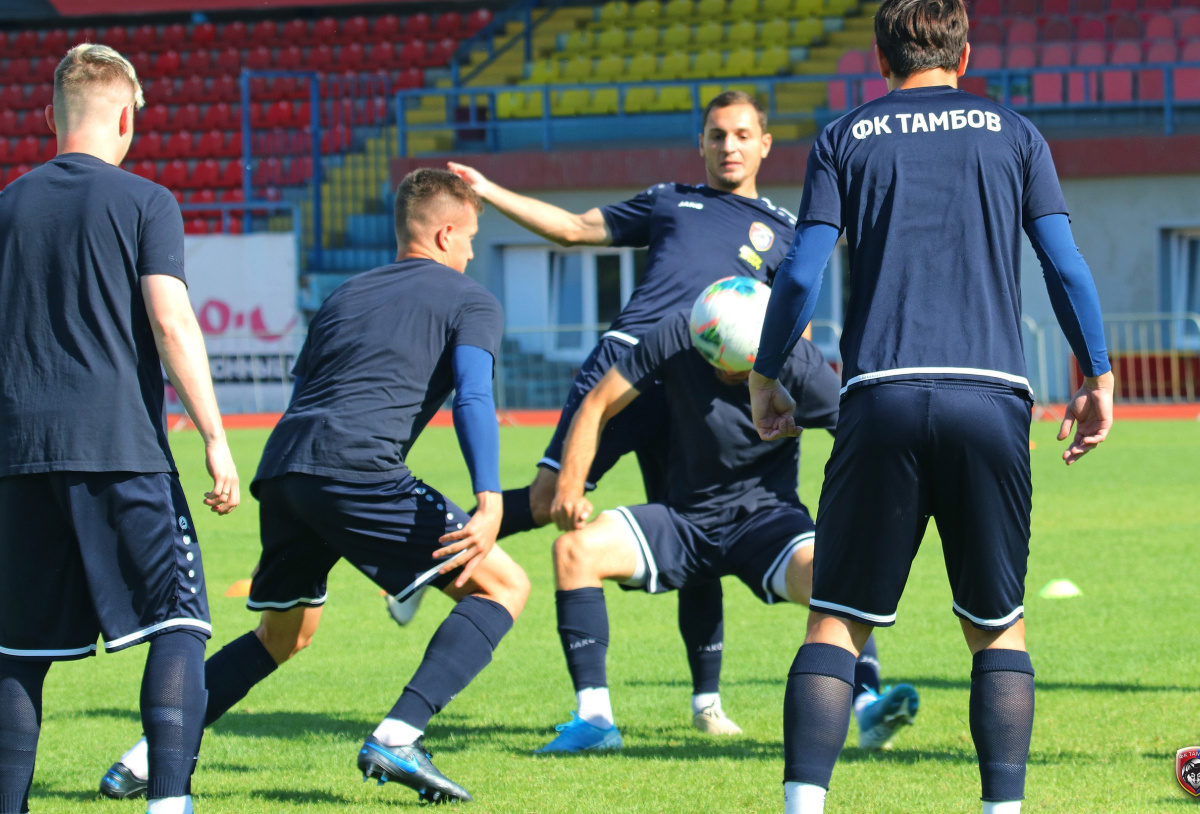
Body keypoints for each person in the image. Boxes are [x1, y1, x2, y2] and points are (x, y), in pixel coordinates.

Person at [748, 0, 1115, 814]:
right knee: (997, 627)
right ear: (965, 55)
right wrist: (1097, 375)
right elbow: (1065, 266)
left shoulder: (845, 136)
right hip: (991, 398)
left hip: (879, 395)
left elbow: (800, 274)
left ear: (880, 60)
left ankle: (803, 808)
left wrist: (767, 373)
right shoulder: (1015, 133)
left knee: (836, 623)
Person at [100, 168, 530, 805]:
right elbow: (472, 395)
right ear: (445, 234)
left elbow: (308, 391)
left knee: (284, 636)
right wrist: (489, 499)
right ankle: (400, 734)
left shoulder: (345, 295)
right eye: (468, 239)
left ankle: (143, 760)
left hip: (285, 468)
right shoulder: (472, 300)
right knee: (505, 585)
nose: (470, 253)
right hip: (357, 468)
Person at [413, 91, 799, 735]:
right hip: (627, 365)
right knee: (547, 499)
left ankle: (706, 703)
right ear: (701, 144)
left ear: (764, 144)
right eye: (715, 135)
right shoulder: (671, 200)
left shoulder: (785, 230)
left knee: (692, 519)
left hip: (703, 387)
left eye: (740, 134)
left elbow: (793, 320)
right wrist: (489, 190)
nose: (727, 146)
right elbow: (573, 229)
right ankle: (432, 559)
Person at [0, 44, 240, 814]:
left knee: (17, 651)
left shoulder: (6, 205)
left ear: (49, 117)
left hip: (18, 455)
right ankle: (168, 804)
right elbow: (171, 322)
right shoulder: (146, 201)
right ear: (129, 118)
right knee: (180, 622)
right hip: (121, 445)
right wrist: (214, 436)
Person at [535, 282, 918, 754]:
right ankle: (595, 722)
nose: (727, 375)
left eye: (740, 370)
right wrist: (570, 486)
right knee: (573, 551)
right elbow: (597, 403)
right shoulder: (675, 332)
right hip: (684, 521)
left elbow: (860, 434)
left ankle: (867, 706)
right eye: (718, 366)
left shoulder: (797, 359)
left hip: (768, 520)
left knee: (834, 575)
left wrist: (873, 513)